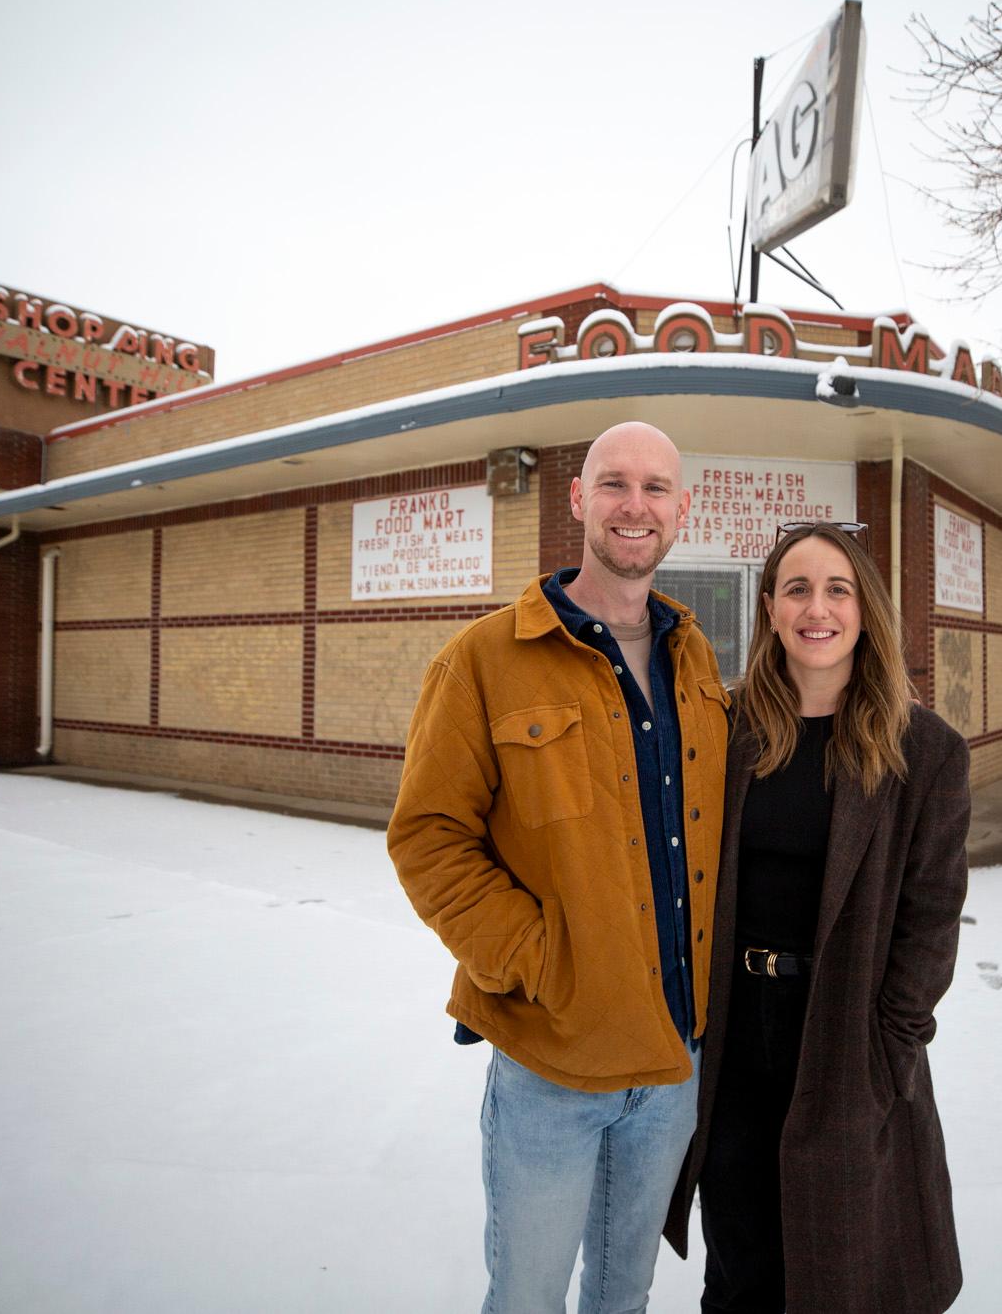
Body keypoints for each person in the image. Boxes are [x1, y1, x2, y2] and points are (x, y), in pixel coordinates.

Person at [388, 421, 732, 1314]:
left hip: (672, 1065)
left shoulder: (698, 663)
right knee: (530, 1298)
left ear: (681, 511)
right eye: (614, 483)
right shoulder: (484, 660)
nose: (635, 505)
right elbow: (427, 836)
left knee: (623, 1295)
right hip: (551, 1066)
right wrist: (538, 959)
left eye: (657, 488)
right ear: (579, 500)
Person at [664, 520, 970, 1314]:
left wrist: (889, 1045)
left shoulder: (924, 750)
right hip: (734, 1032)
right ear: (769, 606)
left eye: (838, 588)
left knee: (841, 1265)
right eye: (797, 587)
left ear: (865, 609)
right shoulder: (727, 732)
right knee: (741, 1257)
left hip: (843, 1032)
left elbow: (931, 919)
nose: (817, 607)